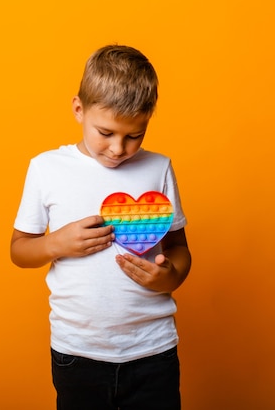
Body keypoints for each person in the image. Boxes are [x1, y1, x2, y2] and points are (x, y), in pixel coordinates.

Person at [10, 44, 192, 410]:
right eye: (105, 132)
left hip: (153, 348)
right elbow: (19, 250)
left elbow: (180, 250)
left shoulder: (158, 168)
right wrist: (55, 244)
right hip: (77, 351)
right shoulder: (46, 168)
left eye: (135, 135)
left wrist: (169, 277)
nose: (118, 148)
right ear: (79, 109)